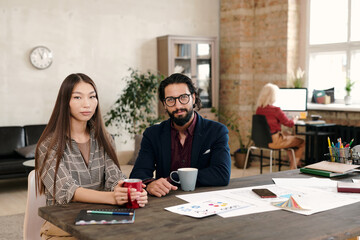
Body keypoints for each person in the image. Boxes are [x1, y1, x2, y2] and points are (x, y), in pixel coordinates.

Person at [35, 73, 148, 239]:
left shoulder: (104, 138)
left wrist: (127, 192)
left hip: (101, 221)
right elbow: (68, 191)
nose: (87, 104)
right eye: (78, 97)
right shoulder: (48, 145)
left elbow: (113, 177)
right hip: (62, 226)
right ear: (65, 102)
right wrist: (113, 198)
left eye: (92, 96)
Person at [130, 73, 231, 197]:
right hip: (166, 199)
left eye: (183, 97)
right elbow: (138, 174)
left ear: (193, 98)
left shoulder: (217, 131)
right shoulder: (153, 134)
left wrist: (172, 178)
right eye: (170, 100)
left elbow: (222, 174)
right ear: (164, 104)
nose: (178, 106)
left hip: (205, 197)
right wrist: (150, 184)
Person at [255, 83, 305, 169]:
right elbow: (289, 124)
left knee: (288, 134)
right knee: (301, 142)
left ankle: (295, 162)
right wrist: (295, 119)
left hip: (261, 141)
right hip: (274, 142)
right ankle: (293, 168)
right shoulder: (276, 110)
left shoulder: (259, 109)